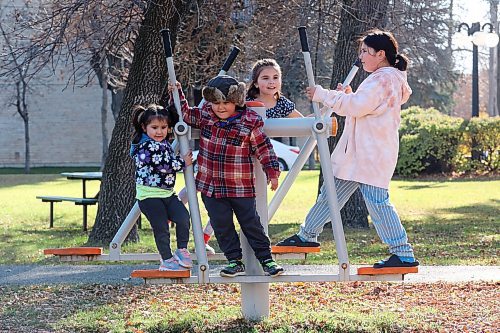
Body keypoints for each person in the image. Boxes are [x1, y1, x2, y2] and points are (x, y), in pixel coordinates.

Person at [276, 29, 419, 268]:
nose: (361, 56)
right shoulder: (385, 78)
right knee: (330, 194)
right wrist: (349, 96)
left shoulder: (383, 78)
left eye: (365, 51)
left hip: (370, 154)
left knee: (377, 202)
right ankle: (306, 235)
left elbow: (356, 107)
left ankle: (403, 253)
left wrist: (324, 95)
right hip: (359, 155)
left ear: (380, 54)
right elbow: (364, 106)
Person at [169, 75, 285, 277]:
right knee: (221, 224)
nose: (221, 108)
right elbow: (185, 113)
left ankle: (266, 259)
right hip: (211, 187)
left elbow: (264, 148)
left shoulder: (249, 121)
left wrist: (272, 172)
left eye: (226, 103)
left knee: (251, 223)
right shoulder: (205, 116)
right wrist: (176, 92)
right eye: (216, 103)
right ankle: (234, 261)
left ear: (237, 102)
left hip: (240, 186)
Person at [190, 58, 304, 253]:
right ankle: (186, 202)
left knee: (240, 206)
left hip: (258, 152)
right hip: (236, 154)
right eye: (265, 78)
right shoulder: (246, 100)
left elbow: (302, 122)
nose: (271, 82)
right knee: (219, 196)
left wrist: (324, 111)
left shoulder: (283, 103)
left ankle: (209, 235)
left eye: (276, 77)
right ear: (256, 81)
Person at [130, 104, 194, 271]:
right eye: (155, 127)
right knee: (161, 228)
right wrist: (183, 162)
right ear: (144, 128)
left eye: (163, 127)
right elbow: (162, 165)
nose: (159, 131)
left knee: (183, 217)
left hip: (167, 194)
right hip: (149, 196)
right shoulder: (145, 146)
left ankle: (181, 249)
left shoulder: (163, 143)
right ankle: (166, 259)